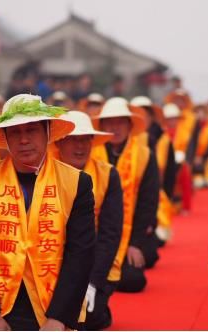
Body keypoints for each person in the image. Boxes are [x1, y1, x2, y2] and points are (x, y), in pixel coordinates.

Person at [0, 94, 96, 331]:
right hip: (0, 306)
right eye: (15, 132)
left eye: (31, 130)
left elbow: (80, 256)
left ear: (47, 133)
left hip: (54, 306)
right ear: (6, 138)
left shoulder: (76, 183)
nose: (24, 140)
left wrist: (59, 319)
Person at [52, 110, 123, 330]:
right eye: (73, 140)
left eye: (85, 140)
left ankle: (101, 308)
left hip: (95, 264)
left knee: (85, 319)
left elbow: (110, 234)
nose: (80, 146)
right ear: (59, 143)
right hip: (50, 264)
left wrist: (92, 282)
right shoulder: (44, 173)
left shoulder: (108, 174)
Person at [91, 97, 160, 293]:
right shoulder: (90, 151)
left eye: (120, 121)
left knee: (133, 280)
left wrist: (135, 243)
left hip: (128, 232)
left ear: (130, 125)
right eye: (110, 122)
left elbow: (149, 202)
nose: (115, 127)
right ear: (102, 125)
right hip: (95, 233)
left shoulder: (145, 155)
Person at [130, 96, 177, 245]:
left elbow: (170, 173)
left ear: (151, 117)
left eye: (145, 114)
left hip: (155, 193)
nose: (142, 118)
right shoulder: (125, 139)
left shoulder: (163, 139)